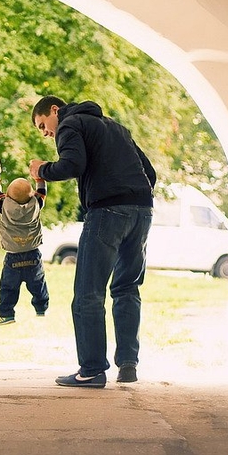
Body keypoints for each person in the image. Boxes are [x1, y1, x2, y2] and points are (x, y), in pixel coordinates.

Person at [29, 96, 156, 388]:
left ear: (55, 110)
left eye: (43, 125)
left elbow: (72, 165)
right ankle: (128, 364)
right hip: (142, 211)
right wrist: (134, 198)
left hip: (107, 212)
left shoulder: (69, 124)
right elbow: (150, 172)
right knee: (126, 287)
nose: (46, 133)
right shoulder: (116, 127)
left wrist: (41, 169)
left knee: (88, 292)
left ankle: (92, 370)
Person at [0, 166, 49, 326]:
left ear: (7, 196)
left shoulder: (3, 206)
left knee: (8, 287)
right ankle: (41, 308)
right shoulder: (37, 204)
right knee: (38, 283)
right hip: (33, 254)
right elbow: (42, 190)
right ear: (32, 195)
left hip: (12, 256)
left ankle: (6, 314)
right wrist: (38, 175)